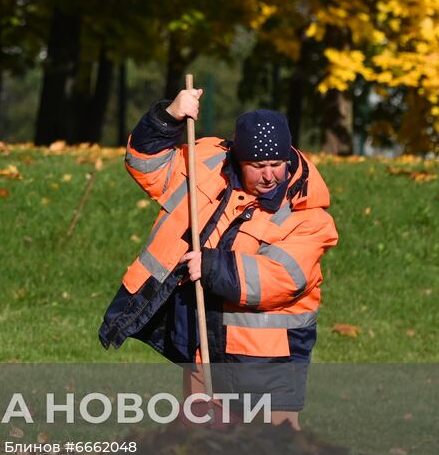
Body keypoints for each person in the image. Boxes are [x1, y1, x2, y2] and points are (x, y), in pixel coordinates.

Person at [99, 86, 337, 426]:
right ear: (239, 159)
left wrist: (210, 266)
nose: (269, 175)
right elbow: (145, 165)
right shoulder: (208, 162)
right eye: (257, 165)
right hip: (205, 341)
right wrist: (168, 118)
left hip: (269, 359)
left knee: (274, 454)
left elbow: (280, 279)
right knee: (199, 444)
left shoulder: (308, 215)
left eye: (276, 164)